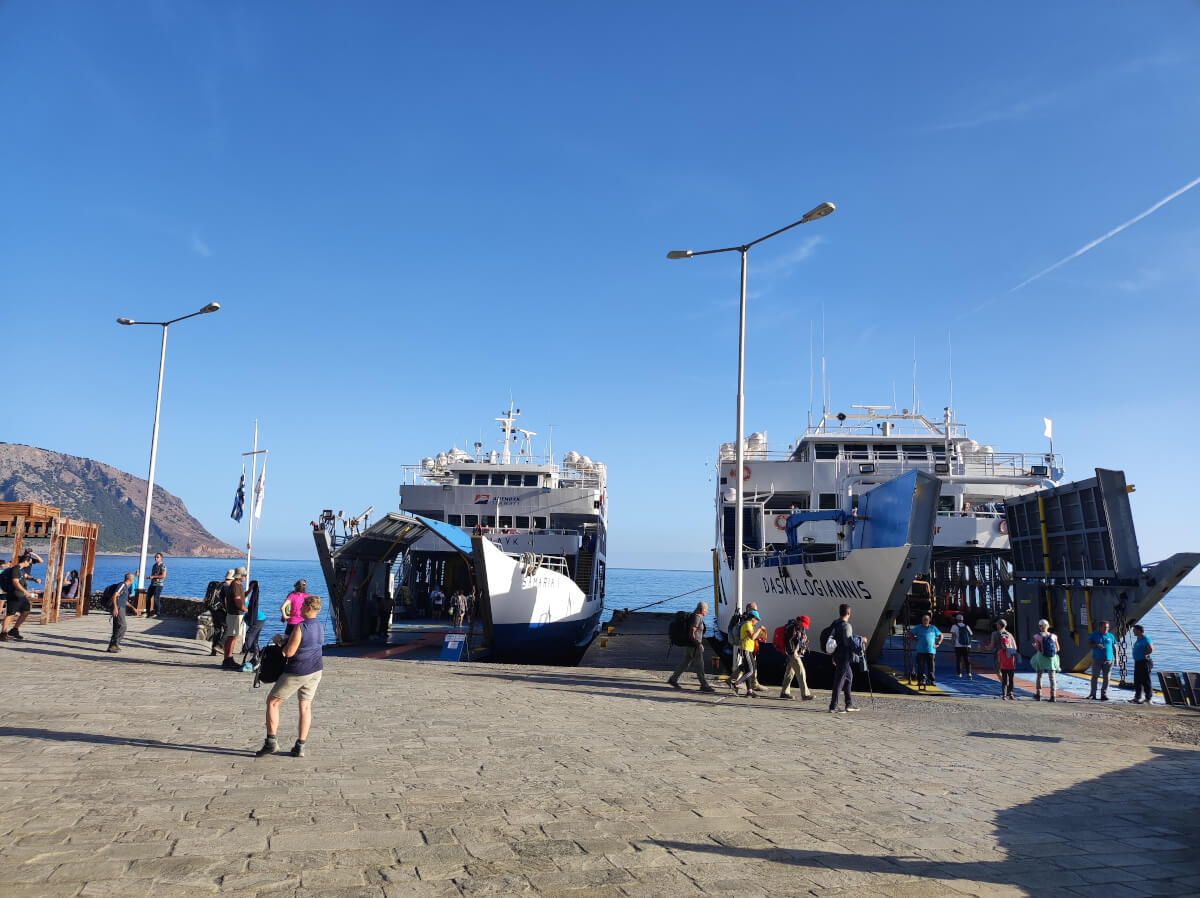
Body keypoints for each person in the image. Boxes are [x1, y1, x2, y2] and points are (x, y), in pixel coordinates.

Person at [255, 594, 325, 759]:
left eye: (301, 607)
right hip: (316, 670)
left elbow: (288, 652)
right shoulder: (319, 626)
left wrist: (280, 641)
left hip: (298, 671)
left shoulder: (301, 627)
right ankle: (300, 746)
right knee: (305, 706)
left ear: (308, 608)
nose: (299, 610)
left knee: (272, 702)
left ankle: (271, 742)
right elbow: (309, 645)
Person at [667, 601, 716, 693]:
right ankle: (704, 685)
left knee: (685, 663)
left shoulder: (695, 616)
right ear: (702, 610)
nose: (707, 612)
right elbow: (691, 633)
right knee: (700, 666)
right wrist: (698, 644)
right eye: (706, 610)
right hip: (694, 646)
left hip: (690, 645)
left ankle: (673, 679)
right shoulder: (696, 618)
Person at [828, 604, 859, 713]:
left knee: (849, 677)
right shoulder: (846, 626)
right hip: (844, 656)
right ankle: (833, 705)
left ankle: (849, 704)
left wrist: (833, 656)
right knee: (839, 680)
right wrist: (861, 640)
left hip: (837, 655)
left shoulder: (835, 624)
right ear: (848, 613)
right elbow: (848, 642)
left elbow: (833, 640)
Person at [729, 608, 764, 697]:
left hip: (748, 650)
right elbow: (752, 637)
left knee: (748, 670)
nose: (757, 621)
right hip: (746, 650)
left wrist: (757, 637)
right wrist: (759, 629)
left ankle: (749, 691)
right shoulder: (747, 625)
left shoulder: (747, 625)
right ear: (753, 618)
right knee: (751, 671)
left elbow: (751, 637)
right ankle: (736, 684)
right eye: (757, 619)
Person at [1, 554, 36, 641]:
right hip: (14, 595)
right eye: (29, 562)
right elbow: (15, 582)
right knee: (10, 614)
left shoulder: (21, 570)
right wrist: (26, 592)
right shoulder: (15, 569)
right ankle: (3, 633)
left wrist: (34, 579)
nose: (29, 564)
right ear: (25, 561)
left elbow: (25, 576)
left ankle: (14, 629)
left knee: (26, 611)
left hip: (21, 596)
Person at [779, 614, 813, 701]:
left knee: (790, 673)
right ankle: (805, 694)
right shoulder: (792, 628)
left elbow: (798, 639)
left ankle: (784, 692)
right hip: (792, 653)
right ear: (800, 621)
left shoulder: (800, 628)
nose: (803, 626)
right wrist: (792, 652)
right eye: (803, 624)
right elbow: (788, 640)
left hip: (796, 652)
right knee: (801, 671)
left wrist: (804, 639)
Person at [222, 567, 248, 670]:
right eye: (244, 575)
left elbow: (241, 597)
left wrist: (249, 590)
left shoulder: (238, 586)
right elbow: (238, 602)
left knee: (232, 636)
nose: (245, 577)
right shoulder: (235, 586)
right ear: (240, 576)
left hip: (235, 614)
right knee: (232, 637)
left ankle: (228, 659)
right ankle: (228, 659)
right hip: (234, 615)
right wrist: (247, 610)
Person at [909, 613, 942, 689]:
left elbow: (941, 635)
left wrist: (938, 643)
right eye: (924, 619)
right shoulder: (918, 627)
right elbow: (909, 633)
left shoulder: (933, 628)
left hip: (931, 651)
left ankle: (931, 680)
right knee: (920, 666)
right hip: (921, 651)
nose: (925, 621)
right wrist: (915, 639)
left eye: (927, 619)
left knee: (931, 667)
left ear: (929, 620)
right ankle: (920, 680)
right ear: (922, 620)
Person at [107, 572, 138, 653]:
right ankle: (115, 644)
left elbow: (124, 600)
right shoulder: (122, 585)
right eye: (133, 579)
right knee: (123, 626)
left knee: (117, 627)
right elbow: (114, 596)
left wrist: (132, 607)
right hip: (119, 608)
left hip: (121, 607)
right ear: (131, 580)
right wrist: (115, 608)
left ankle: (111, 646)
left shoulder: (125, 587)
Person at [1031, 619, 1060, 702]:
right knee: (1052, 677)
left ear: (1040, 627)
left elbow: (1037, 648)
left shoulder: (1037, 636)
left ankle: (1038, 694)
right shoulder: (1054, 636)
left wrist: (1035, 646)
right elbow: (1058, 648)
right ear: (1047, 626)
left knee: (1039, 676)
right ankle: (1053, 696)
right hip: (1051, 658)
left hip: (1041, 657)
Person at [1088, 620, 1117, 701]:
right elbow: (1089, 644)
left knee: (1107, 678)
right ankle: (1092, 694)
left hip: (1108, 660)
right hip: (1097, 659)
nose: (1106, 629)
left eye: (1107, 627)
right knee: (1095, 677)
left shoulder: (1111, 636)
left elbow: (1115, 647)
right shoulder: (1094, 635)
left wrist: (1117, 658)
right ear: (1100, 627)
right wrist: (1096, 645)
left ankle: (1103, 694)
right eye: (1104, 627)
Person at [241, 580, 265, 669]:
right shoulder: (242, 600)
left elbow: (247, 610)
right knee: (254, 638)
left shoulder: (242, 604)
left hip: (259, 619)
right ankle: (256, 654)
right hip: (261, 618)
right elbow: (245, 594)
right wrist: (251, 588)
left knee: (250, 635)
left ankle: (246, 650)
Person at [209, 571, 233, 656]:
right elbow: (226, 600)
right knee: (228, 629)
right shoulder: (227, 587)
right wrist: (228, 610)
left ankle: (213, 651)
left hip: (213, 610)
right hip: (222, 611)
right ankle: (220, 645)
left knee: (217, 630)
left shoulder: (219, 585)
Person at [1130, 624, 1154, 704]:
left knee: (1145, 680)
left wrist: (1145, 654)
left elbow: (1151, 649)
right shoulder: (1138, 639)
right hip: (1138, 662)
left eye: (1134, 630)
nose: (1133, 631)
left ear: (1139, 631)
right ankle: (1137, 697)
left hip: (1144, 662)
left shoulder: (1145, 638)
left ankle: (1148, 698)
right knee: (1137, 680)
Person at [996, 624, 1017, 699]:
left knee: (1004, 682)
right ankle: (1011, 694)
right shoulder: (1011, 651)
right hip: (1011, 667)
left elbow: (998, 660)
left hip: (1003, 667)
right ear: (1008, 643)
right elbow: (1017, 657)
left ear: (1001, 644)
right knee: (1011, 681)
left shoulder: (999, 652)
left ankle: (1004, 695)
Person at [950, 614, 974, 678]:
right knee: (967, 659)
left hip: (958, 645)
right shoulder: (967, 626)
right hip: (967, 645)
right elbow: (971, 635)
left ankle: (959, 674)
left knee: (959, 660)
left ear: (957, 620)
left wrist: (952, 644)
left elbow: (952, 636)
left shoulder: (954, 626)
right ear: (962, 620)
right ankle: (969, 673)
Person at [145, 552, 166, 617]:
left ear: (161, 558)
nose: (155, 558)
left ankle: (157, 613)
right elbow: (154, 574)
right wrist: (150, 577)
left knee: (156, 598)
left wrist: (153, 577)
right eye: (155, 557)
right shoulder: (154, 566)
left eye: (157, 557)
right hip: (152, 584)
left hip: (159, 585)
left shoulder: (163, 566)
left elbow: (163, 575)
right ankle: (147, 612)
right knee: (148, 597)